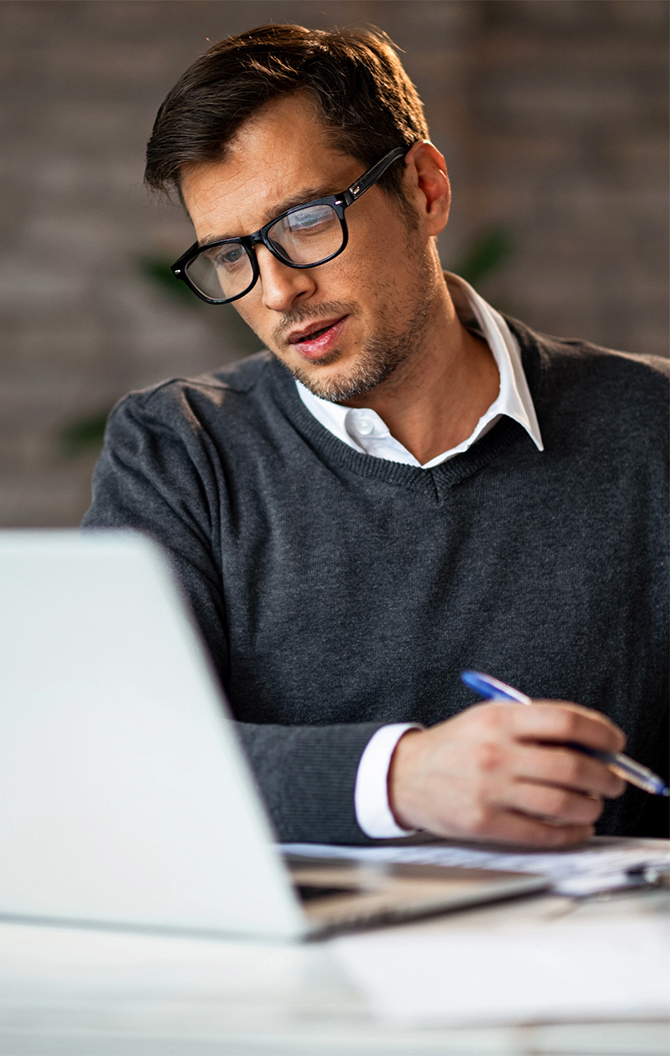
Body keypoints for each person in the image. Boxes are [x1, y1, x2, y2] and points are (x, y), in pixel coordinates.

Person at [82, 24, 668, 845]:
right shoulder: (178, 449)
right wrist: (400, 780)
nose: (279, 290)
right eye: (230, 255)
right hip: (306, 970)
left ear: (425, 190)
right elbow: (113, 753)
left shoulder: (653, 427)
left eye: (307, 221)